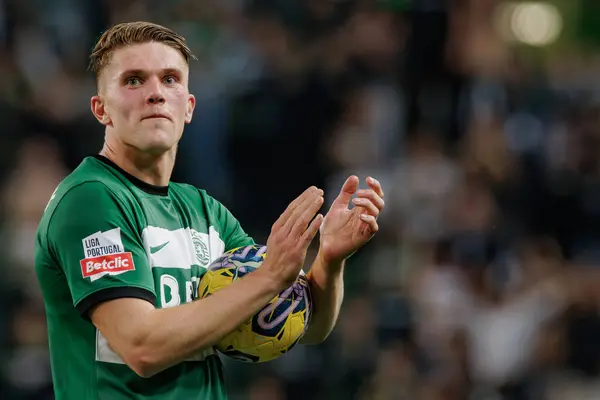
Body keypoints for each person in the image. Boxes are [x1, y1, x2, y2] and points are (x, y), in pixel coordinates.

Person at [34, 21, 385, 400]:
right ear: (101, 109)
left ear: (188, 107)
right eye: (134, 80)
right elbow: (141, 347)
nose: (155, 94)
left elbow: (305, 325)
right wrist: (268, 278)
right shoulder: (90, 199)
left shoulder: (206, 211)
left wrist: (329, 261)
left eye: (170, 79)